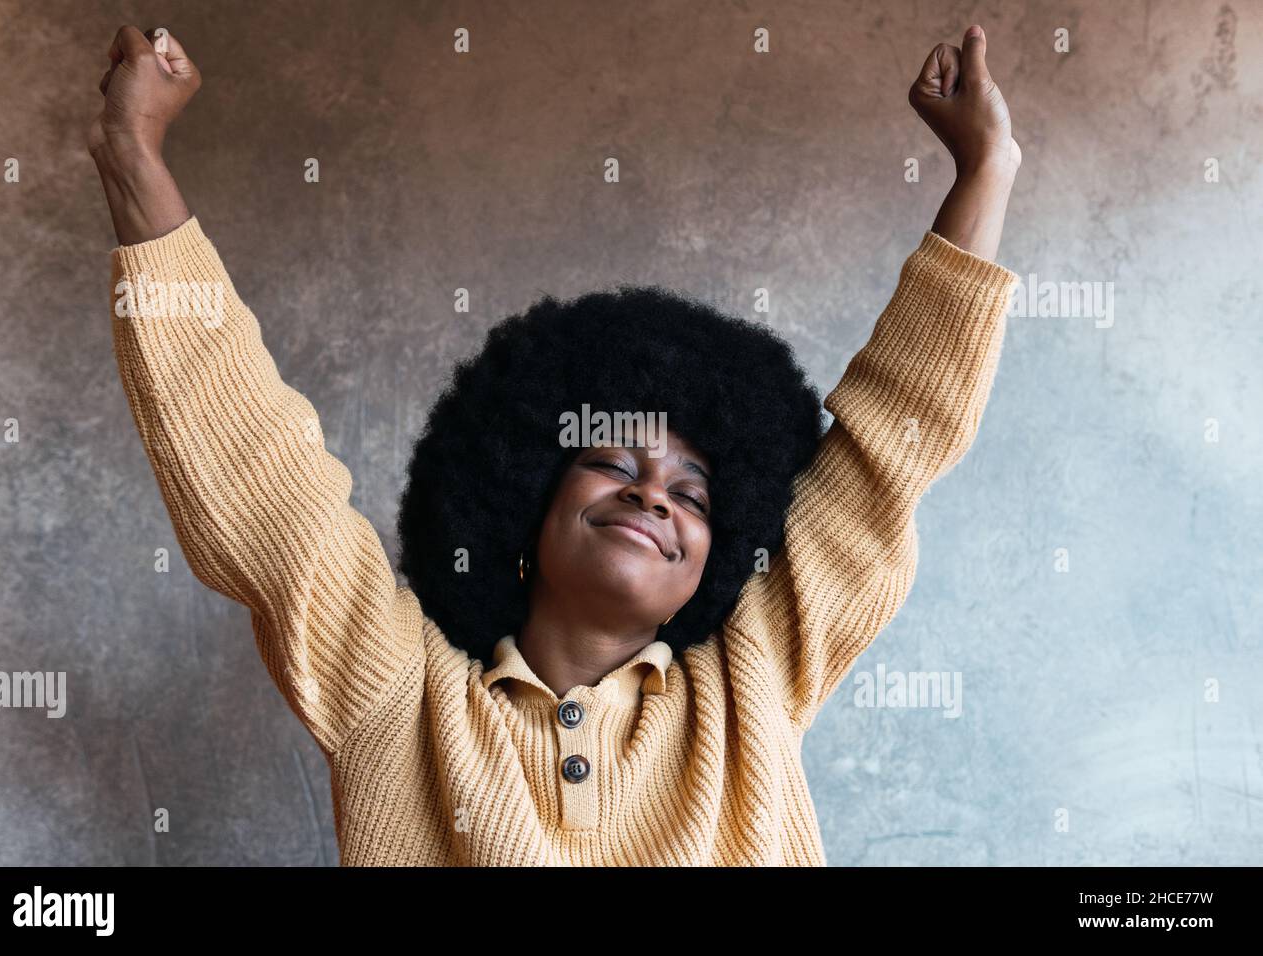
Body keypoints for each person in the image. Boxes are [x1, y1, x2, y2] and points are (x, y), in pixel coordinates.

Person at [90, 23, 1021, 865]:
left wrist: (986, 170)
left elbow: (885, 451)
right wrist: (135, 153)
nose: (652, 494)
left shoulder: (756, 676)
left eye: (693, 495)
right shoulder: (396, 690)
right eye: (612, 461)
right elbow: (260, 477)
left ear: (722, 557)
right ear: (527, 499)